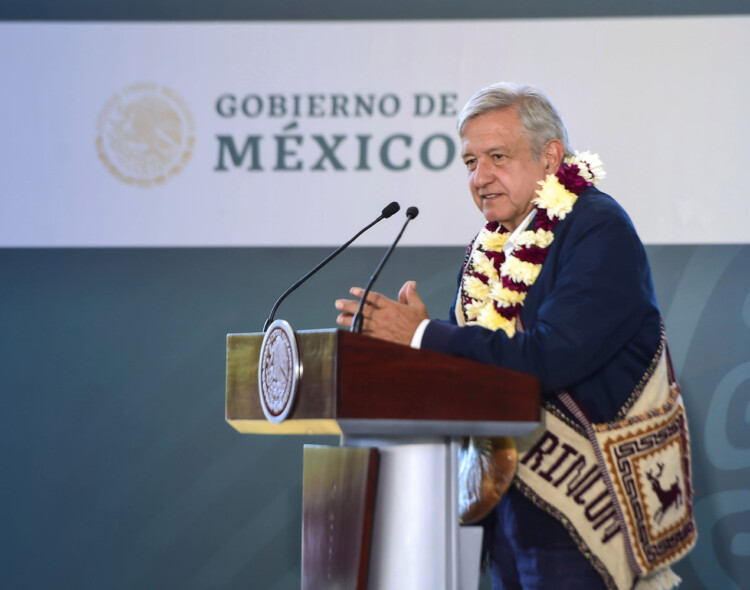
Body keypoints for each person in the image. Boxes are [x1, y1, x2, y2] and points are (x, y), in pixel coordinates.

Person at [335, 82, 695, 590]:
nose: (480, 178)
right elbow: (471, 368)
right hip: (503, 505)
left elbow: (551, 358)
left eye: (496, 157)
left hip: (583, 513)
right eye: (469, 163)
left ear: (549, 158)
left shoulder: (597, 227)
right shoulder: (489, 246)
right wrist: (404, 353)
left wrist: (421, 336)